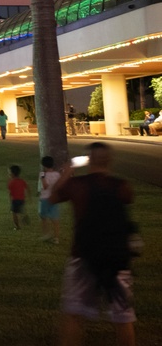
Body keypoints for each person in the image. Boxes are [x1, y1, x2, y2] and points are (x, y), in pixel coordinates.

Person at [50, 143, 136, 346]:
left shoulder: (77, 185)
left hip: (83, 255)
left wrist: (67, 171)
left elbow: (53, 197)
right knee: (123, 317)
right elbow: (127, 200)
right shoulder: (122, 186)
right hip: (117, 257)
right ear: (109, 160)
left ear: (88, 159)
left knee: (73, 314)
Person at [39, 156, 62, 244]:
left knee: (43, 217)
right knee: (55, 219)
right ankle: (56, 238)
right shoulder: (57, 174)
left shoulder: (43, 174)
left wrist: (42, 177)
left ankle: (46, 234)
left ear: (43, 165)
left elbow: (45, 186)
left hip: (45, 198)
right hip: (54, 198)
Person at [8, 165, 29, 230]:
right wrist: (28, 196)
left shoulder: (11, 182)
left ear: (13, 174)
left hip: (15, 200)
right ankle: (24, 216)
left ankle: (17, 226)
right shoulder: (22, 181)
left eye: (9, 173)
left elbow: (10, 192)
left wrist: (10, 200)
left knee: (14, 213)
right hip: (22, 199)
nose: (8, 174)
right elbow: (27, 188)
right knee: (21, 210)